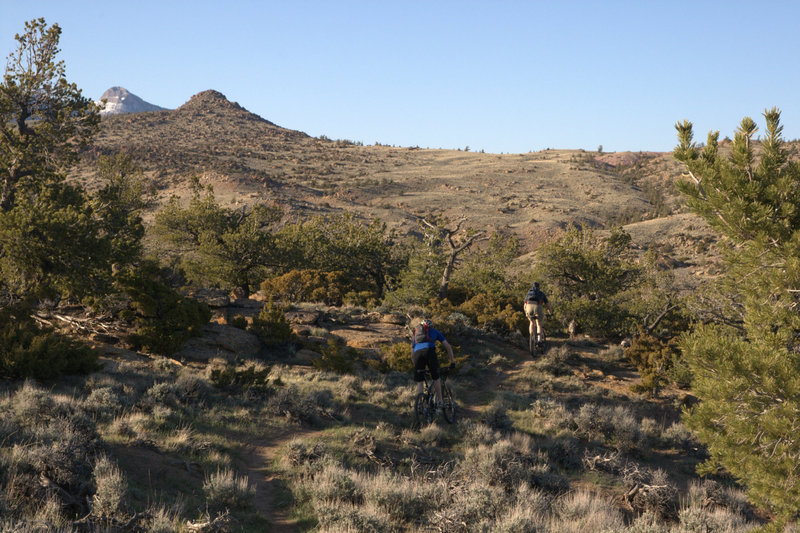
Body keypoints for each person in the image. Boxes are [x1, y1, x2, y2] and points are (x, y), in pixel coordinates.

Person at [412, 318, 455, 411]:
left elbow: (412, 353)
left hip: (417, 354)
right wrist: (452, 361)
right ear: (431, 326)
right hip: (429, 352)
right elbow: (447, 346)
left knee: (420, 381)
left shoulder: (416, 335)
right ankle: (440, 402)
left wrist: (415, 365)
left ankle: (419, 404)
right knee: (436, 378)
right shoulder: (435, 331)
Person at [524, 282, 553, 346]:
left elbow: (525, 305)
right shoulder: (541, 293)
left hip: (528, 307)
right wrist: (550, 312)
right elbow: (547, 305)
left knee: (531, 322)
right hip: (537, 307)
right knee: (539, 324)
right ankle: (539, 340)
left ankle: (532, 338)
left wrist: (526, 312)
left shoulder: (528, 293)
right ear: (538, 287)